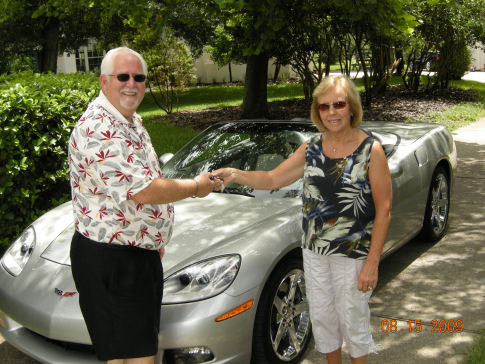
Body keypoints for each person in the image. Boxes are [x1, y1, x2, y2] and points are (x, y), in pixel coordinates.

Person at [213, 75, 392, 364]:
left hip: (353, 254)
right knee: (323, 320)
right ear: (317, 111)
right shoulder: (311, 149)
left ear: (351, 108)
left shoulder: (371, 151)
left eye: (338, 104)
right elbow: (272, 177)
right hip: (314, 252)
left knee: (353, 324)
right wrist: (236, 174)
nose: (332, 112)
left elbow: (384, 209)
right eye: (324, 106)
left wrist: (372, 263)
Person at [68, 47, 220, 364]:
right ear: (104, 81)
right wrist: (196, 186)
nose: (132, 84)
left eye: (139, 77)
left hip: (134, 254)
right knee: (133, 358)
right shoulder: (100, 128)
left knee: (135, 353)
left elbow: (140, 182)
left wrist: (152, 239)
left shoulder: (130, 121)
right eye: (123, 76)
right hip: (111, 259)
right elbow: (144, 190)